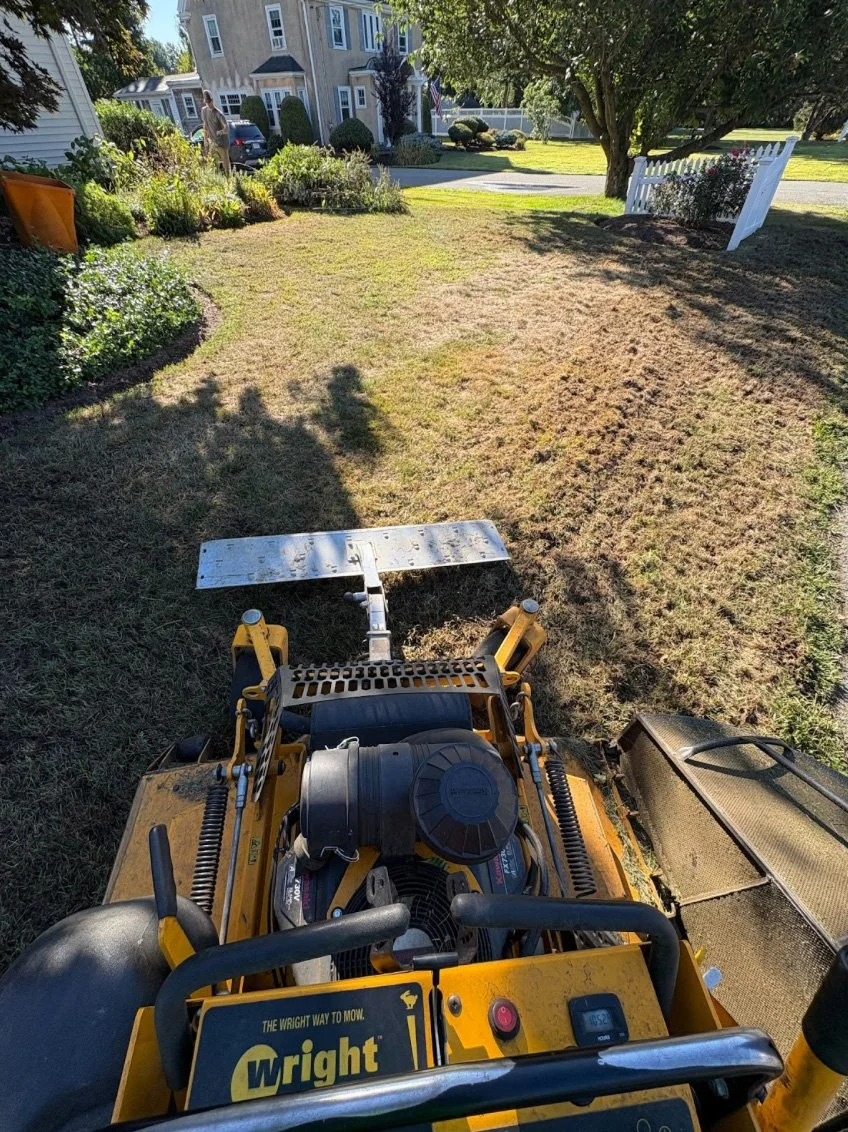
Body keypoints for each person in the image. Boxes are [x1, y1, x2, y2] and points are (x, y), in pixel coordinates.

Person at [201, 90, 231, 174]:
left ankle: (229, 181)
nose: (208, 104)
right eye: (207, 102)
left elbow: (226, 129)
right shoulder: (204, 111)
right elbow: (205, 125)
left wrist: (220, 132)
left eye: (209, 101)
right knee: (213, 164)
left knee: (226, 166)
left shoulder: (218, 114)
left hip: (222, 143)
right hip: (212, 143)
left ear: (212, 100)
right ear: (205, 101)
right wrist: (205, 140)